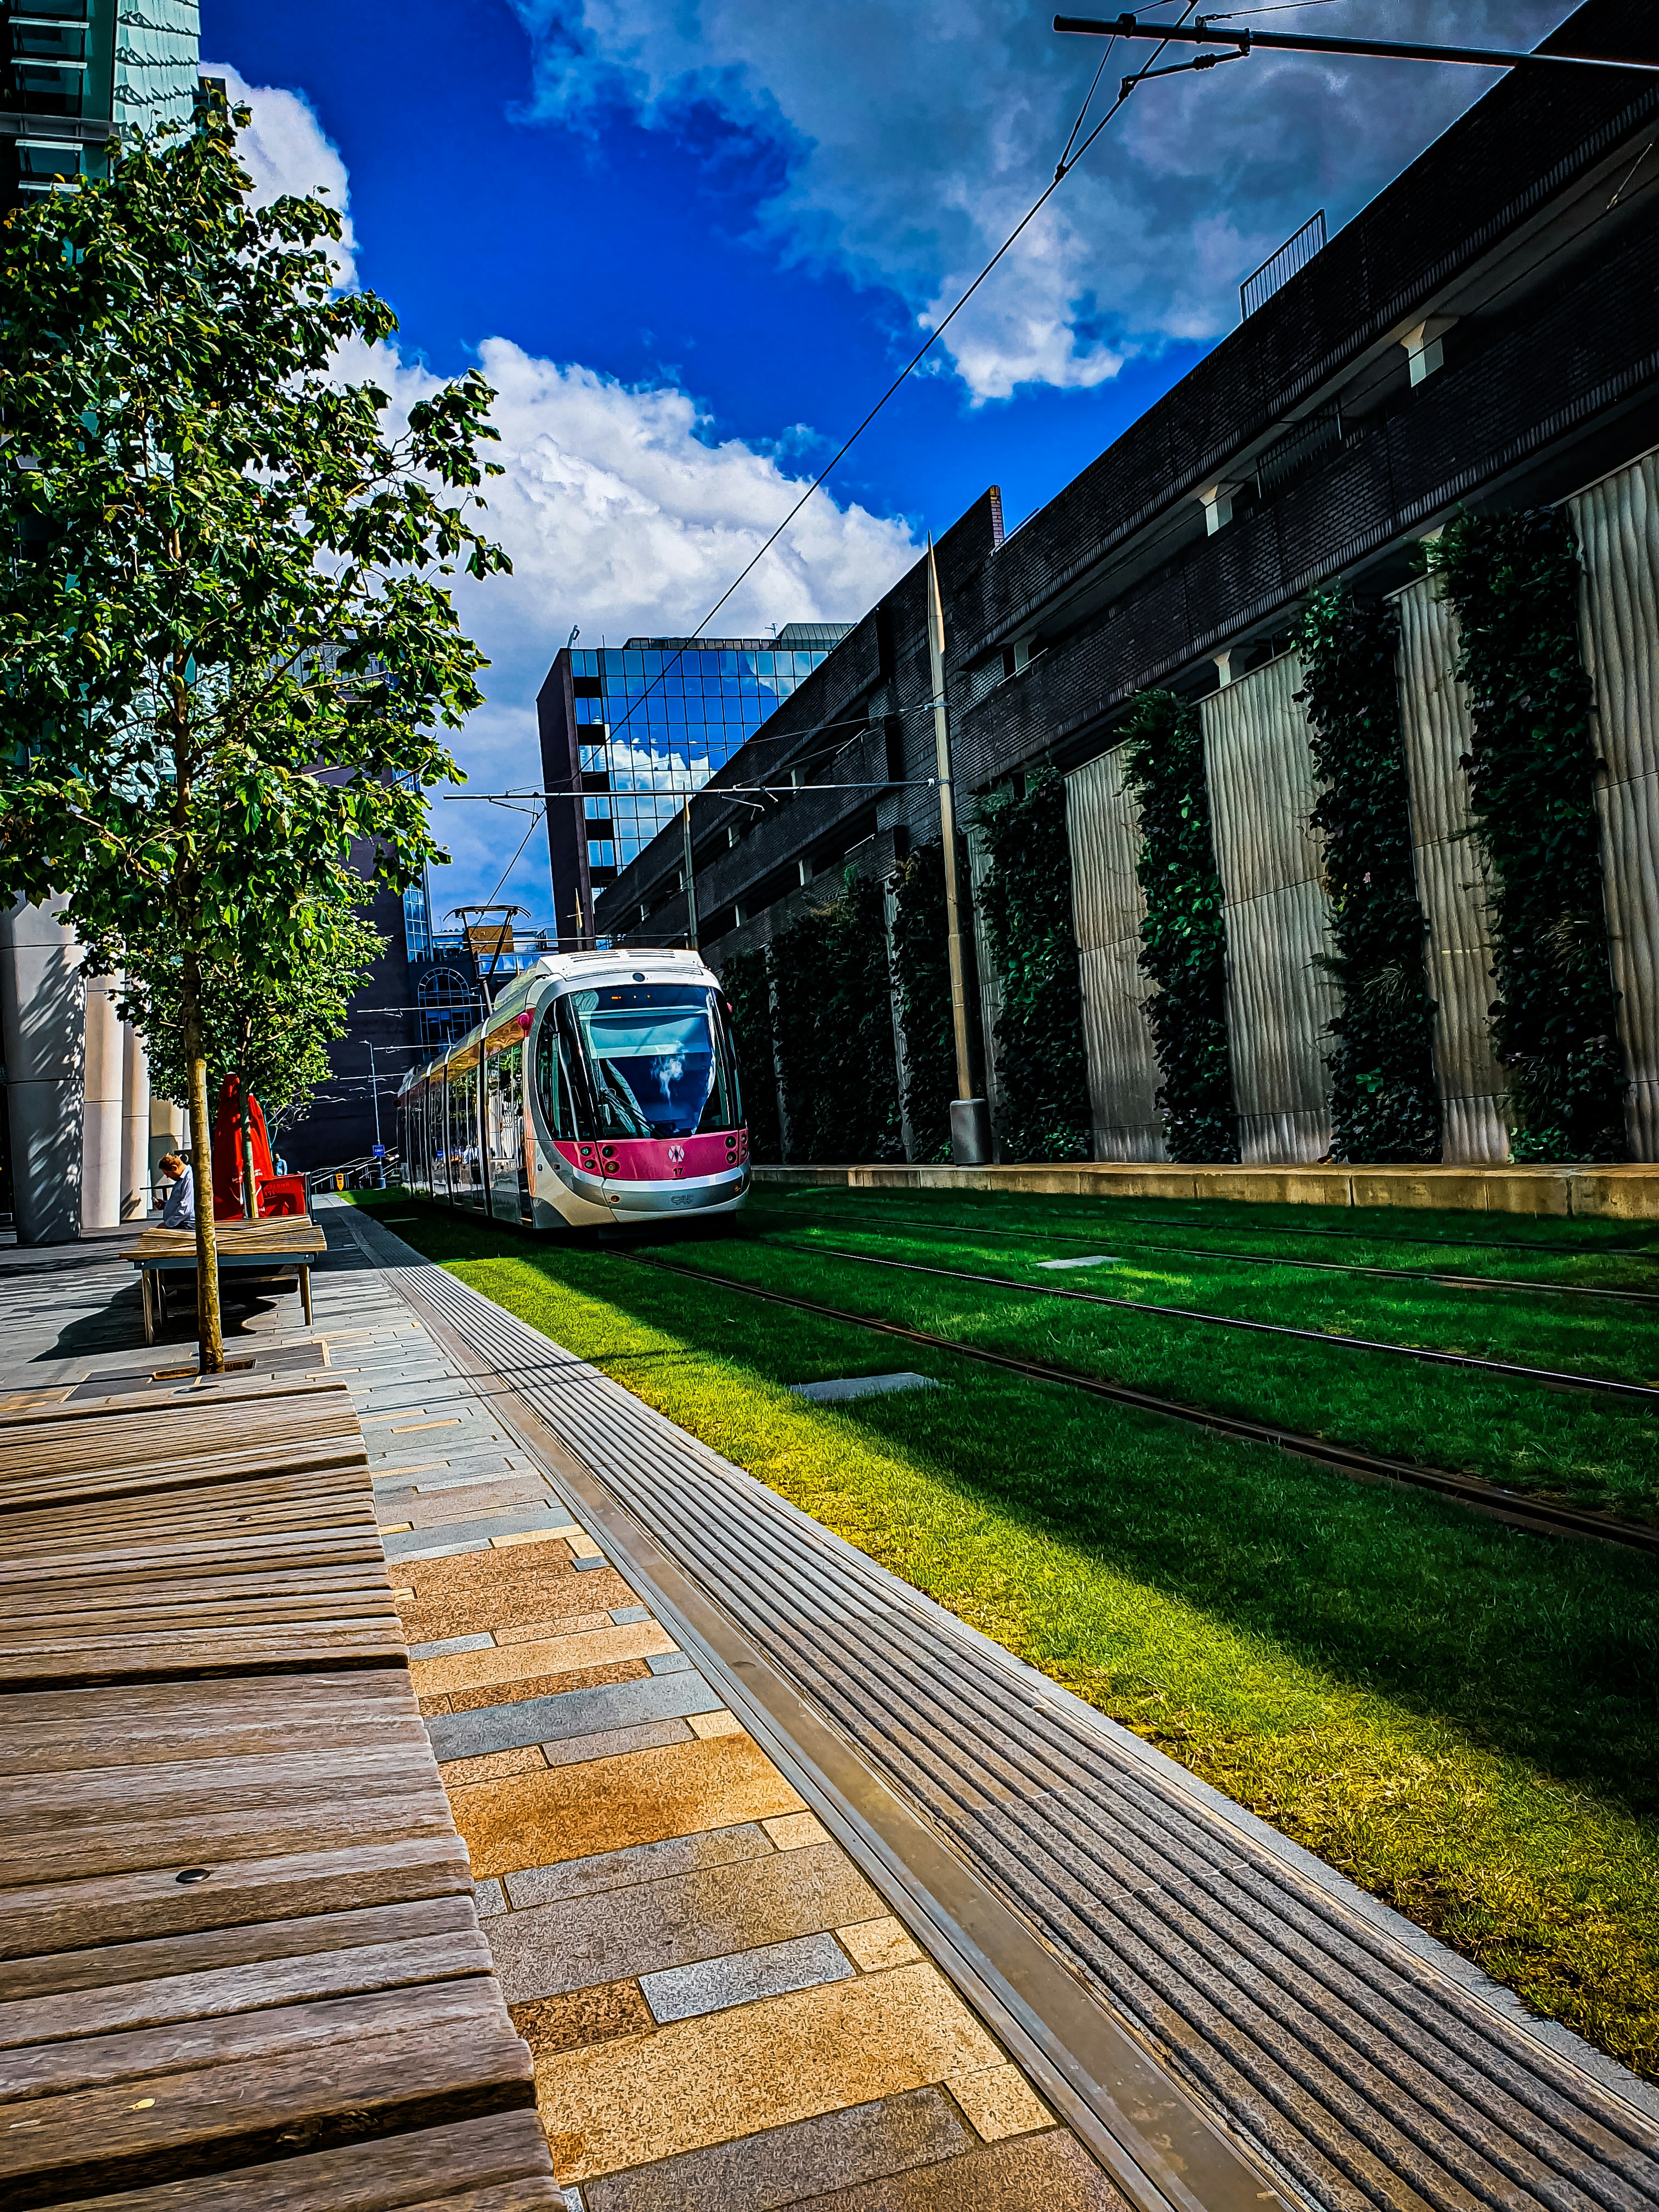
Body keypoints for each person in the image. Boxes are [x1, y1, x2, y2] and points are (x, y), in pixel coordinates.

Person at [157, 1153, 195, 1229]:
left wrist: (168, 1224)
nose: (168, 1177)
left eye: (167, 1174)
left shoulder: (188, 1179)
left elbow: (186, 1207)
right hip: (180, 1222)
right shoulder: (181, 1179)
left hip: (185, 1223)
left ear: (174, 1168)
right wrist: (166, 1205)